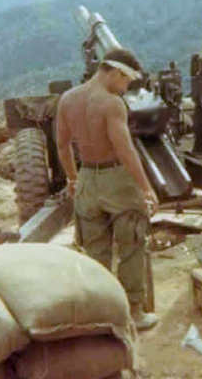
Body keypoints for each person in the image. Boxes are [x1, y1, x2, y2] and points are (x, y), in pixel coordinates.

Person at [56, 48, 160, 331]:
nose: (126, 88)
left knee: (96, 252)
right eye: (126, 81)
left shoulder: (67, 99)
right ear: (114, 73)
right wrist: (146, 188)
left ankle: (102, 316)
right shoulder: (112, 103)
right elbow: (124, 149)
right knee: (131, 245)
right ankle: (134, 314)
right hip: (117, 179)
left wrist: (72, 178)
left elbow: (62, 145)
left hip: (87, 177)